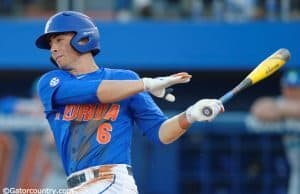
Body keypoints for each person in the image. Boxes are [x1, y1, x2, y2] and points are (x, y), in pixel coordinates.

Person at [35, 11, 224, 194]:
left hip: (113, 181)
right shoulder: (51, 82)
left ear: (84, 38)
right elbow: (92, 91)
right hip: (75, 184)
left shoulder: (125, 80)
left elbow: (161, 133)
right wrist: (145, 84)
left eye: (59, 40)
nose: (53, 48)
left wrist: (190, 115)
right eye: (51, 43)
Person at [250, 68, 300, 194]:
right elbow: (258, 109)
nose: (292, 91)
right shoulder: (281, 103)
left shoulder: (281, 106)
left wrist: (282, 110)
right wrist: (288, 110)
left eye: (296, 87)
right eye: (288, 87)